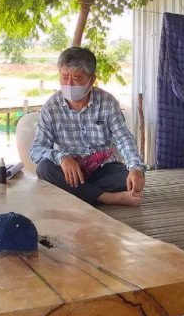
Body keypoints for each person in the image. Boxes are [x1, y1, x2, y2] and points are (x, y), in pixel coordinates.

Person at [30, 47, 146, 207]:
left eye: (76, 79)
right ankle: (107, 198)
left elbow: (123, 138)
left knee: (128, 176)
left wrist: (135, 167)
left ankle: (79, 194)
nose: (69, 84)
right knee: (44, 169)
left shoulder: (107, 102)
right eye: (64, 77)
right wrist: (62, 157)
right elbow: (37, 149)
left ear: (91, 80)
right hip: (70, 171)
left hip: (103, 169)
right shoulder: (51, 107)